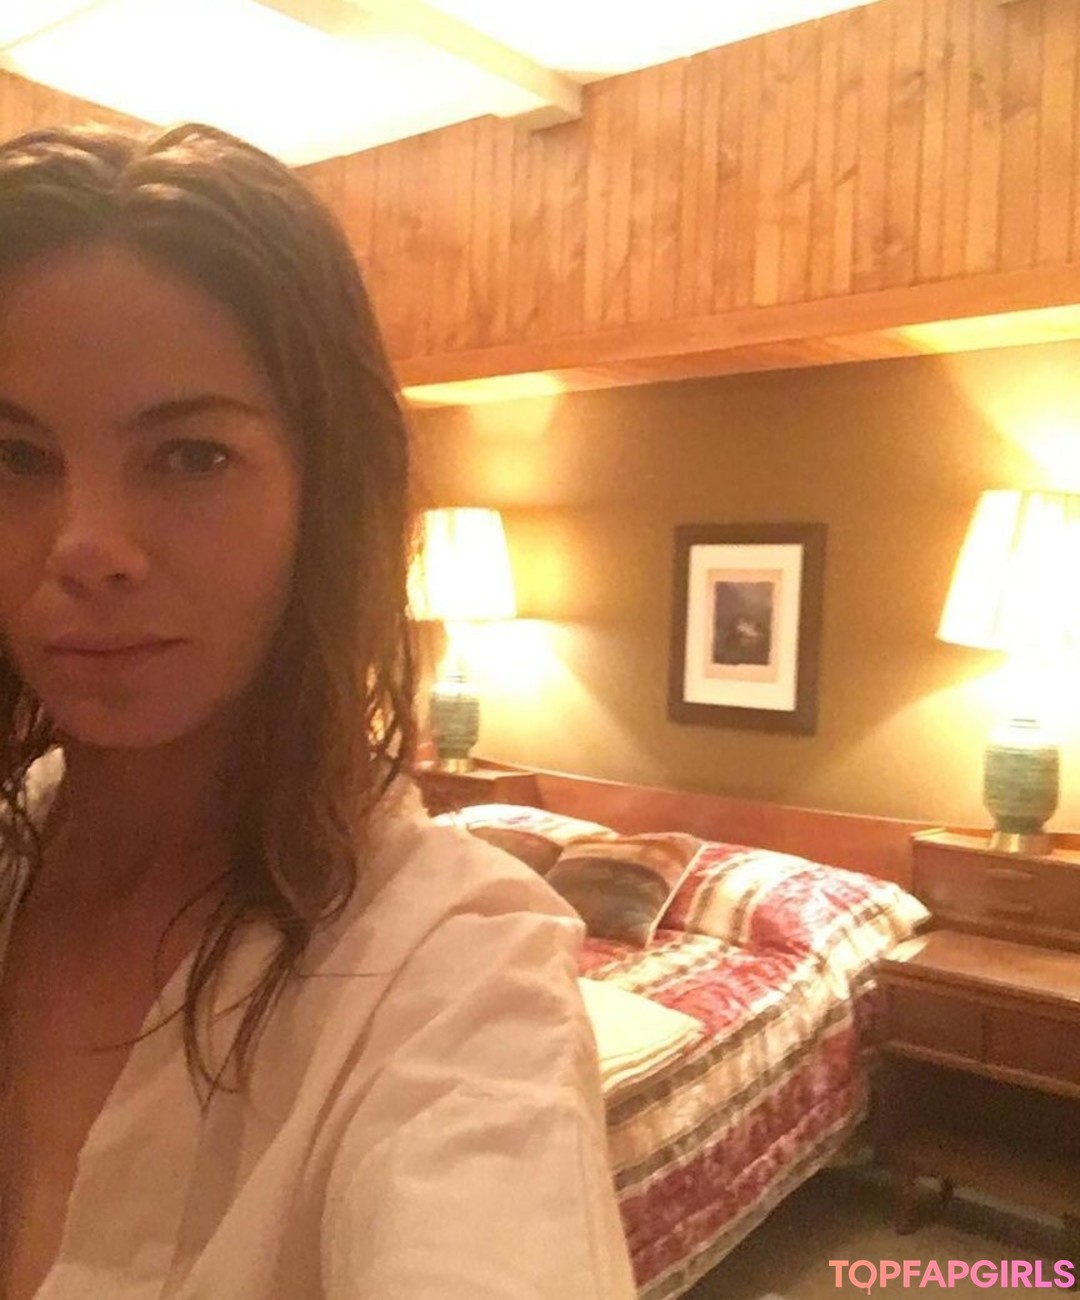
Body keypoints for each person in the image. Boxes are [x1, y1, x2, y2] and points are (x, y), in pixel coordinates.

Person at [0, 122, 636, 1300]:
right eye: (15, 457)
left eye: (191, 457)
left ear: (327, 495)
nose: (87, 545)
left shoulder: (454, 972)